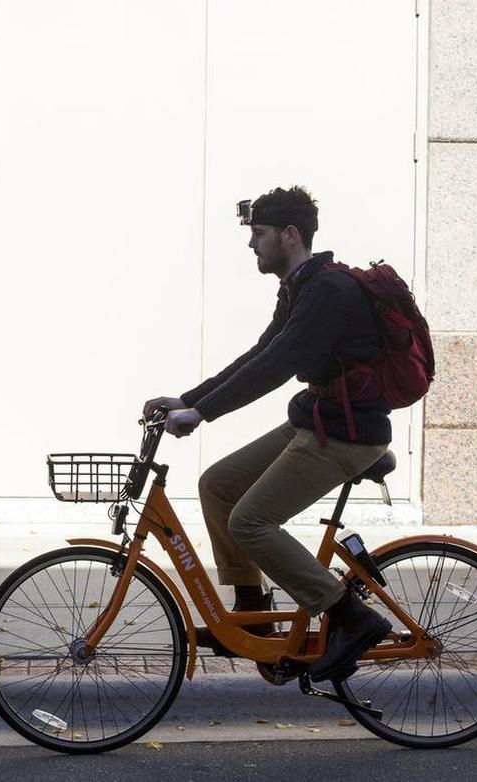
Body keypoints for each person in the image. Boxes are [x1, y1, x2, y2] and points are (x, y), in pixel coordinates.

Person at [142, 186, 391, 682]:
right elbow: (259, 354)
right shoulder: (300, 286)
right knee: (218, 484)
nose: (252, 245)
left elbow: (278, 365)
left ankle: (350, 616)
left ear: (290, 234)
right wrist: (189, 399)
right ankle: (253, 614)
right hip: (317, 419)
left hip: (348, 434)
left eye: (259, 234)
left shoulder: (327, 292)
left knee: (251, 521)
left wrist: (204, 414)